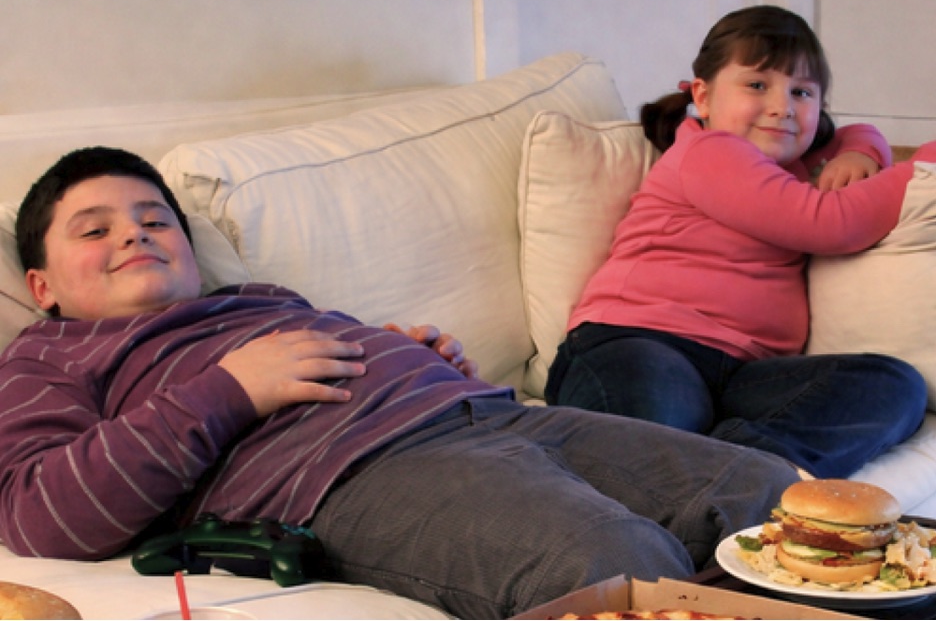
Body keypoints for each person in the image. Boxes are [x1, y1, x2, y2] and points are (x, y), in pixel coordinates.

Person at [0, 146, 802, 619]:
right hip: (357, 476)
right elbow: (41, 514)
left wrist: (404, 353)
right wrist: (229, 388)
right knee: (613, 559)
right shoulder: (49, 360)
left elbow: (330, 361)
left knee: (774, 496)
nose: (134, 235)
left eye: (153, 220)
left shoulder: (256, 300)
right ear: (42, 284)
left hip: (494, 414)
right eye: (95, 228)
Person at [545, 5, 936, 480]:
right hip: (638, 342)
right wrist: (921, 172)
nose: (782, 106)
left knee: (893, 386)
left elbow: (856, 131)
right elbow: (827, 223)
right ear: (704, 98)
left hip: (744, 372)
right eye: (757, 85)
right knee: (656, 445)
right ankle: (701, 488)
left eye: (802, 92)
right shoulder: (710, 152)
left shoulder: (795, 157)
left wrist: (859, 149)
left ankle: (733, 470)